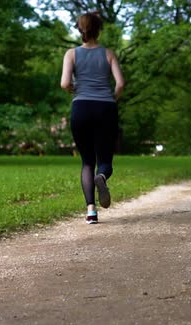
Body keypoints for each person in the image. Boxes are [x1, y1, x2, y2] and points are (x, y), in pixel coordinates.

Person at [60, 11, 125, 224]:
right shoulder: (108, 53)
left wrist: (74, 89)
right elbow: (121, 84)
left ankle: (91, 212)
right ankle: (102, 177)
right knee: (105, 160)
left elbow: (64, 83)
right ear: (99, 29)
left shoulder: (71, 54)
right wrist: (110, 99)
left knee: (87, 161)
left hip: (81, 108)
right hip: (105, 108)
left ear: (80, 29)